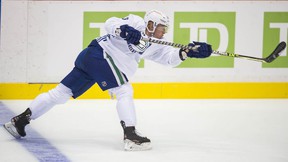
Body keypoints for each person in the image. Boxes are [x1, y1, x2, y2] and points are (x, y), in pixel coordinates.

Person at [3, 10, 212, 151]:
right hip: (99, 55)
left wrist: (185, 53)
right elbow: (110, 23)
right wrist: (123, 30)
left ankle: (20, 120)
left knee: (60, 94)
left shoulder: (159, 42)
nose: (163, 31)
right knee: (123, 91)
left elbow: (168, 59)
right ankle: (130, 135)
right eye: (161, 27)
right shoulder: (134, 22)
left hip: (91, 60)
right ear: (150, 24)